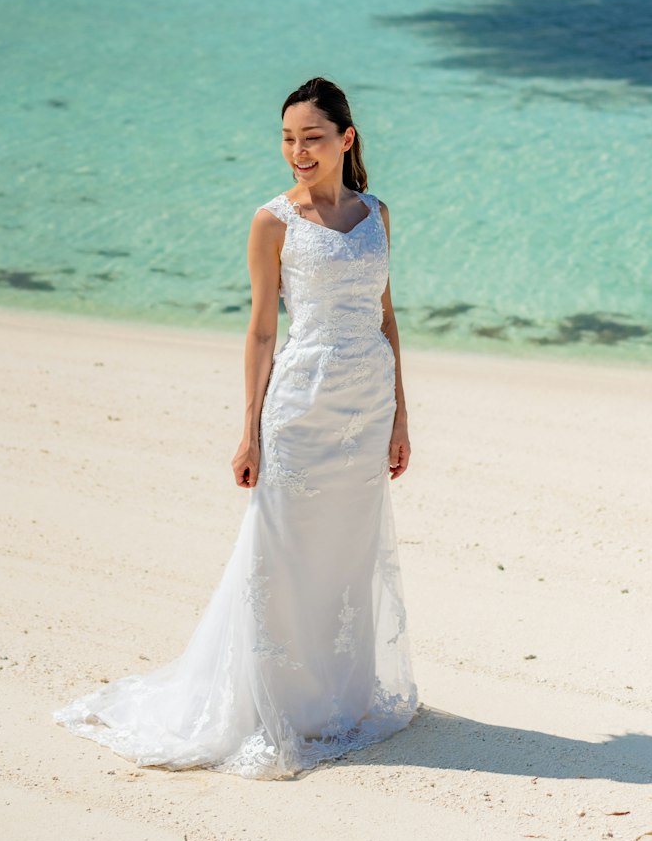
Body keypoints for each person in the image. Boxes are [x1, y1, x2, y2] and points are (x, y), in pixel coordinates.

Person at [53, 75, 419, 779]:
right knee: (278, 554)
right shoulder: (272, 222)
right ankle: (270, 703)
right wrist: (248, 430)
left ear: (346, 139)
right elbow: (259, 333)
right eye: (288, 139)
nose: (297, 152)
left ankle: (336, 699)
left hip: (366, 404)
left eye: (311, 138)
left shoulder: (377, 214)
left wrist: (402, 414)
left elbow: (386, 314)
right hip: (302, 406)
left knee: (346, 549)